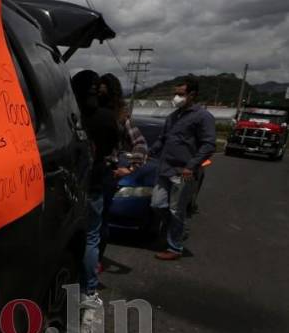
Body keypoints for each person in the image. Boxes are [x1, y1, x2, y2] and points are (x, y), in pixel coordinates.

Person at [147, 77, 216, 260]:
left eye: (181, 94)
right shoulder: (173, 116)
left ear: (192, 95)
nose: (176, 97)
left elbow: (208, 145)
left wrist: (191, 166)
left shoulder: (203, 117)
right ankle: (178, 229)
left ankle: (174, 247)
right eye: (175, 93)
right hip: (165, 169)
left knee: (176, 209)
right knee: (157, 204)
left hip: (183, 172)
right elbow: (163, 139)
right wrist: (149, 152)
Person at [71, 70, 119, 308]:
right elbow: (110, 147)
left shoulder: (67, 115)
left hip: (67, 186)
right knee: (91, 238)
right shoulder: (107, 117)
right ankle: (87, 290)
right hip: (94, 184)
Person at [97, 73, 148, 268]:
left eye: (103, 90)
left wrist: (131, 167)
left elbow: (140, 143)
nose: (99, 94)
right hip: (86, 172)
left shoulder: (121, 116)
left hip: (107, 173)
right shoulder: (89, 111)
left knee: (100, 221)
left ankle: (97, 261)